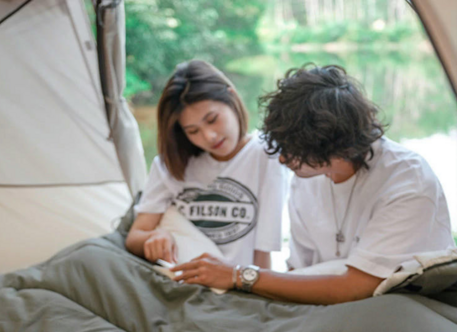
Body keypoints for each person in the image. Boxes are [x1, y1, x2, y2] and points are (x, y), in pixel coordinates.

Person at [173, 65, 455, 304]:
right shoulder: (306, 178)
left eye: (293, 151)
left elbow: (358, 287)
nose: (282, 158)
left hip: (404, 307)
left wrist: (239, 275)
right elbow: (298, 272)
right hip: (331, 309)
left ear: (336, 148)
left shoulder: (407, 182)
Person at [125, 60, 288, 271]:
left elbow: (263, 253)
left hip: (238, 281)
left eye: (212, 120)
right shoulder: (172, 165)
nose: (209, 136)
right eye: (193, 131)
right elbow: (134, 237)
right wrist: (155, 237)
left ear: (231, 97)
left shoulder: (266, 155)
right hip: (180, 279)